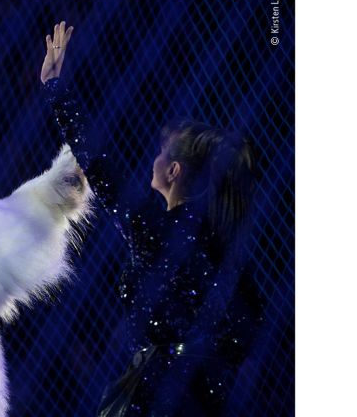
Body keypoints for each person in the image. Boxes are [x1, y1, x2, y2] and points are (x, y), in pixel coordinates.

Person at [39, 21, 264, 416]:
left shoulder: (161, 230)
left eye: (162, 152)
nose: (154, 159)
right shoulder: (218, 241)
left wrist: (55, 88)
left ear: (175, 171)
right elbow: (250, 328)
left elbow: (100, 167)